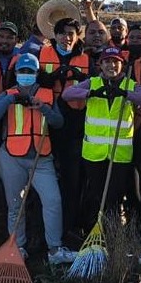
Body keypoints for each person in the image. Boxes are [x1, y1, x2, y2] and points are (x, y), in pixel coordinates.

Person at [0, 53, 76, 265]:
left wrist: (43, 107)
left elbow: (58, 122)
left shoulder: (47, 94)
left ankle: (55, 249)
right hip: (11, 157)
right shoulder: (7, 94)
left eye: (30, 71)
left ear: (37, 73)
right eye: (22, 71)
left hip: (41, 158)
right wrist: (10, 99)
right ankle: (18, 247)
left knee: (53, 201)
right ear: (16, 73)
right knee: (15, 205)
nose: (25, 75)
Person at [62, 48, 141, 234]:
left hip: (119, 155)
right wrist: (89, 93)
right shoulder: (93, 82)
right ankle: (93, 233)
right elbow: (67, 94)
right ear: (100, 65)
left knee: (114, 197)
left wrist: (126, 94)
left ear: (122, 65)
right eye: (107, 61)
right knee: (95, 196)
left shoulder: (130, 85)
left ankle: (113, 235)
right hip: (94, 154)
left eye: (115, 62)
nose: (111, 65)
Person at [37, 17, 91, 237]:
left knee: (72, 177)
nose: (66, 38)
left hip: (76, 120)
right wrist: (50, 78)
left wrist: (82, 76)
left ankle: (69, 226)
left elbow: (94, 83)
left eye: (71, 34)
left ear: (77, 36)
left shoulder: (86, 58)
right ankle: (41, 229)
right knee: (46, 175)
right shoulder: (42, 53)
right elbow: (33, 79)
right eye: (62, 33)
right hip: (46, 118)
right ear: (55, 35)